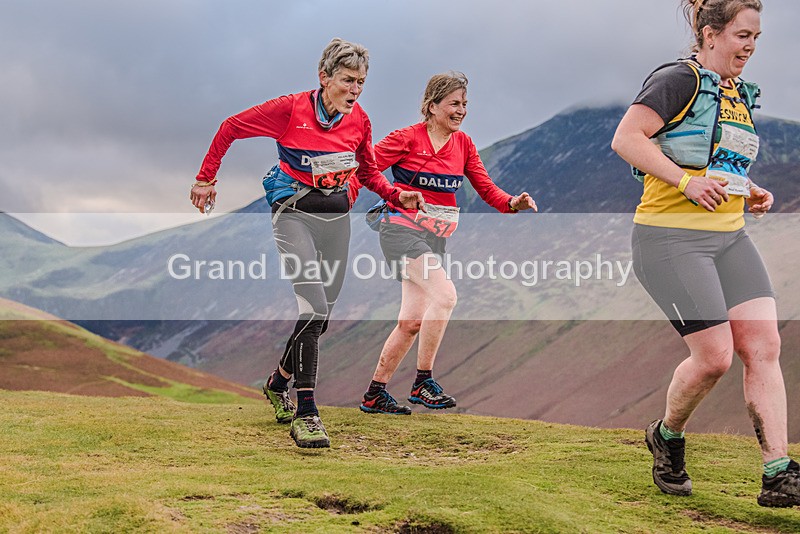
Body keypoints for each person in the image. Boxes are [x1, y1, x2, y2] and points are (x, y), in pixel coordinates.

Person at [191, 38, 424, 449]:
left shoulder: (360, 121)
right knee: (313, 306)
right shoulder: (290, 109)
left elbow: (368, 172)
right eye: (348, 81)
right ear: (324, 77)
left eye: (361, 83)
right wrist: (206, 179)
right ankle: (308, 413)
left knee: (320, 318)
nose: (355, 90)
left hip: (335, 218)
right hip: (292, 212)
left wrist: (395, 195)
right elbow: (230, 126)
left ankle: (277, 382)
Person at [612, 0, 800, 507]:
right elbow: (626, 139)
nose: (751, 46)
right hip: (668, 239)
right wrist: (686, 182)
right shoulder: (678, 78)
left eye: (757, 37)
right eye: (743, 35)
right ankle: (667, 435)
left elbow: (715, 156)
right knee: (714, 358)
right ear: (711, 33)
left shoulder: (738, 92)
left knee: (763, 347)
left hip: (730, 237)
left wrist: (749, 188)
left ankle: (777, 472)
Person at [357, 72, 537, 416]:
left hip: (435, 238)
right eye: (454, 103)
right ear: (432, 106)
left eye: (465, 104)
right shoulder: (406, 138)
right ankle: (423, 381)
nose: (462, 110)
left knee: (411, 321)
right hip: (399, 231)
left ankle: (374, 394)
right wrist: (394, 194)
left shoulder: (464, 144)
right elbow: (366, 169)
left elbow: (485, 186)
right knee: (446, 296)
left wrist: (512, 203)